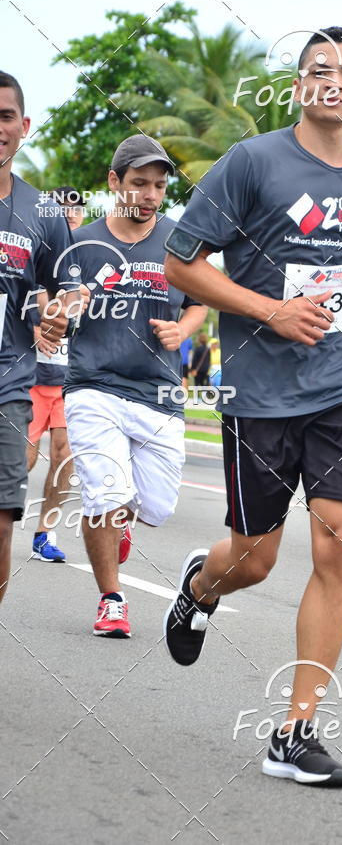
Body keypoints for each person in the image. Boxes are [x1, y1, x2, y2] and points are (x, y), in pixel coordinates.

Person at [162, 27, 342, 786]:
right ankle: (201, 586)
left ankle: (294, 732)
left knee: (337, 549)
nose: (333, 81)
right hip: (261, 388)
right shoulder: (253, 162)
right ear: (300, 86)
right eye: (318, 71)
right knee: (255, 557)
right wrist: (269, 310)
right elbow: (182, 261)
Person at [64, 134, 206, 638]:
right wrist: (60, 311)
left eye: (159, 185)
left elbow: (200, 299)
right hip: (93, 385)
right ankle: (112, 598)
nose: (150, 194)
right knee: (106, 494)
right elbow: (51, 305)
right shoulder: (80, 244)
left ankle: (119, 520)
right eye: (140, 183)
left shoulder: (178, 239)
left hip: (159, 395)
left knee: (156, 508)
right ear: (114, 182)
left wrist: (183, 329)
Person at [0, 71, 87, 603]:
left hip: (9, 384)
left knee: (4, 518)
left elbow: (70, 288)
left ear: (24, 125)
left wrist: (60, 314)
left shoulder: (42, 212)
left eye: (5, 116)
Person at [26, 187, 87, 563]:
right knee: (25, 461)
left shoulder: (93, 254)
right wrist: (34, 328)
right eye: (62, 209)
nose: (70, 216)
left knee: (63, 457)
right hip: (31, 377)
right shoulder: (39, 249)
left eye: (75, 210)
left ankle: (44, 533)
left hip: (70, 381)